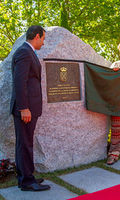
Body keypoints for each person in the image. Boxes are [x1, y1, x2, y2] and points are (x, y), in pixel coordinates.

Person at [10, 25, 50, 191]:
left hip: (29, 108)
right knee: (25, 144)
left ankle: (27, 177)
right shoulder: (24, 53)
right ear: (37, 36)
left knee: (26, 144)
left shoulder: (28, 52)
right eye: (43, 39)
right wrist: (24, 108)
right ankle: (27, 182)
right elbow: (20, 82)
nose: (43, 43)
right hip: (25, 109)